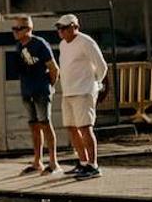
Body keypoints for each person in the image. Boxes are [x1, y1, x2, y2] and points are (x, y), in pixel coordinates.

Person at [56, 13, 109, 179]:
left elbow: (102, 66)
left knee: (85, 127)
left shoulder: (86, 42)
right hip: (68, 92)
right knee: (71, 128)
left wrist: (95, 85)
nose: (61, 31)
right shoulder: (63, 44)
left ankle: (94, 166)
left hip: (84, 91)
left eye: (64, 28)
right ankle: (83, 162)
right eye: (59, 28)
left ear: (74, 27)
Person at [10, 15, 60, 174]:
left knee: (45, 123)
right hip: (27, 90)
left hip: (40, 90)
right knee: (33, 125)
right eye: (14, 28)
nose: (16, 32)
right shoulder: (18, 46)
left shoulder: (40, 44)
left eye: (19, 28)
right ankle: (37, 161)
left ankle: (53, 162)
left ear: (29, 29)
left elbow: (54, 68)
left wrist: (49, 86)